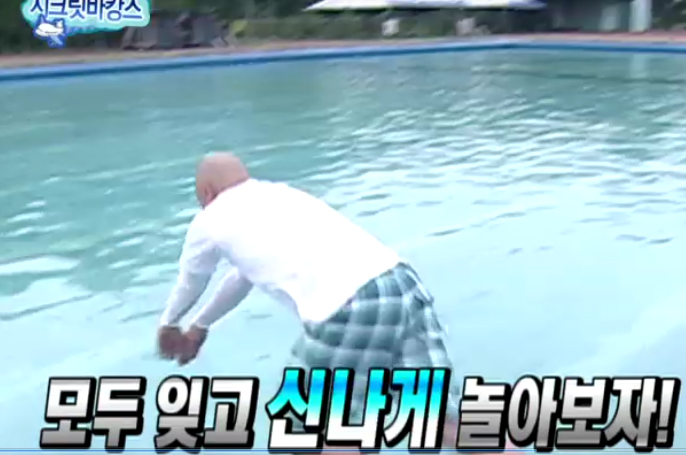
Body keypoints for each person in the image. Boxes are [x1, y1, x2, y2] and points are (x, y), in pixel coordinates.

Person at [157, 152, 506, 452]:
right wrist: (200, 326)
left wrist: (169, 324)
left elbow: (192, 281)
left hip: (351, 304)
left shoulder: (210, 218)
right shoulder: (282, 196)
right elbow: (240, 278)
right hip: (402, 284)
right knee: (438, 416)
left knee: (305, 426)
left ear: (207, 193)